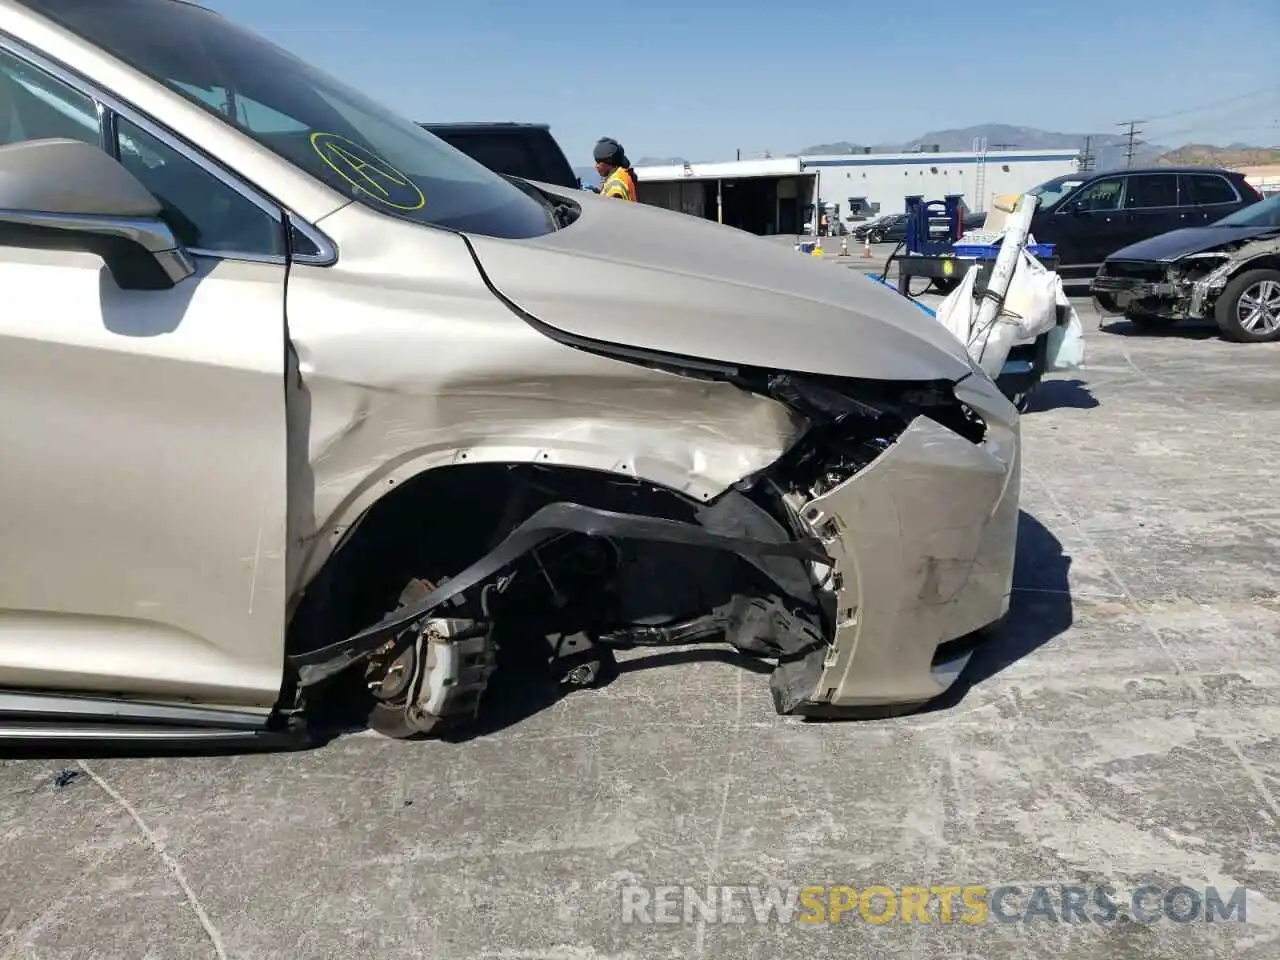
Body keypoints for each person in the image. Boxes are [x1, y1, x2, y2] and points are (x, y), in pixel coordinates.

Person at [593, 137, 638, 202]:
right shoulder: (618, 175)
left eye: (598, 162)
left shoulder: (616, 183)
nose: (596, 166)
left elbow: (613, 208)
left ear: (609, 161)